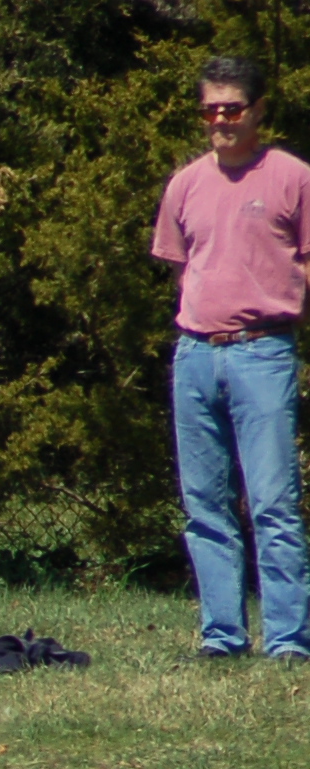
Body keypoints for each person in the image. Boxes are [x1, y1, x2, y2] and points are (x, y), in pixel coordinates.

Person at [152, 55, 310, 659]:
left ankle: (288, 640)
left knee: (273, 504)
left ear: (258, 110)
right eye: (210, 110)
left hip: (263, 353)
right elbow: (182, 267)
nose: (221, 120)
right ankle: (222, 636)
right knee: (204, 506)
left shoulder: (292, 178)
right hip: (195, 355)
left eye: (232, 108)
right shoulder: (186, 184)